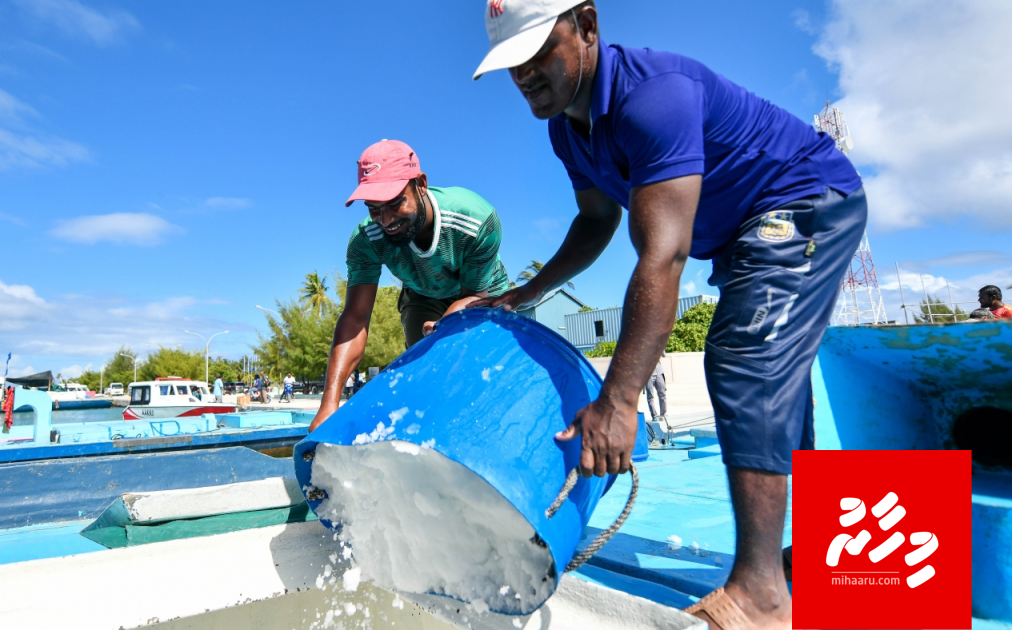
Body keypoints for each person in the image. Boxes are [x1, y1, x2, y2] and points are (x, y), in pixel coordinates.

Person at [470, 2, 866, 628]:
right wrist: (521, 294)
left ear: (588, 27)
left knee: (744, 355)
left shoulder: (653, 99)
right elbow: (597, 220)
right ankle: (815, 557)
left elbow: (663, 254)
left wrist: (621, 401)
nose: (524, 75)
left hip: (807, 196)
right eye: (510, 63)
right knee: (775, 381)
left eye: (538, 51)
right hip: (742, 234)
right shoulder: (566, 130)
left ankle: (760, 595)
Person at [309, 139, 511, 430]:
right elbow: (355, 318)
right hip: (422, 293)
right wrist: (329, 405)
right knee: (427, 372)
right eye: (373, 209)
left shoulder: (476, 219)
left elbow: (473, 297)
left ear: (421, 184)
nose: (386, 220)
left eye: (394, 203)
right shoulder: (365, 240)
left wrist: (446, 323)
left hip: (483, 295)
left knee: (476, 369)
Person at [645, 354, 667, 425]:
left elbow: (664, 355)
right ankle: (654, 415)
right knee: (650, 396)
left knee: (662, 394)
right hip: (648, 373)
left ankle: (663, 415)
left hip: (659, 371)